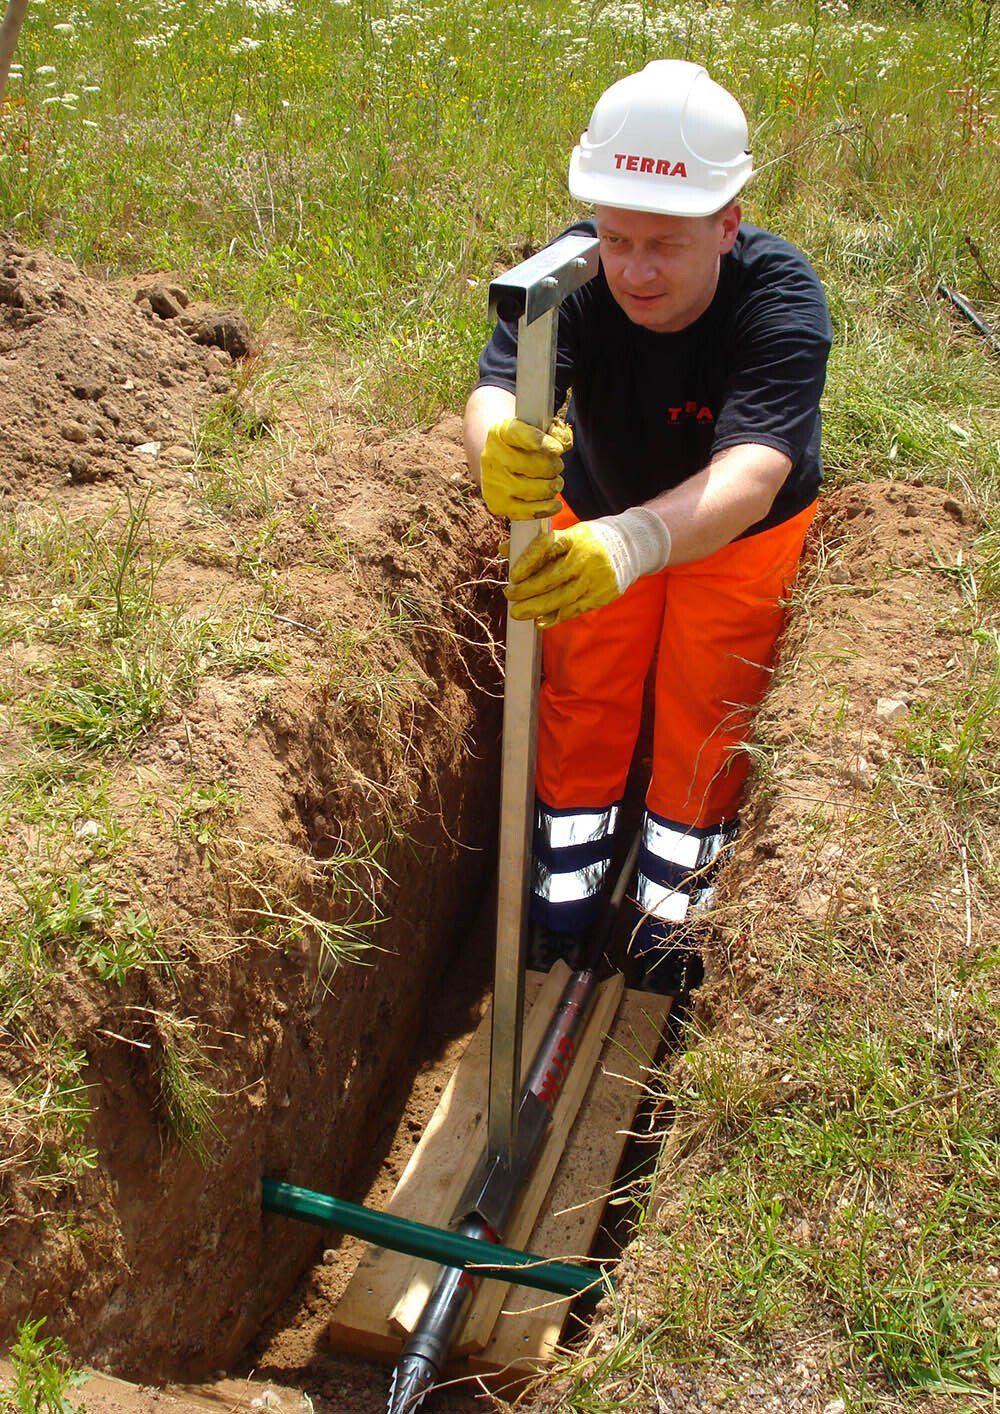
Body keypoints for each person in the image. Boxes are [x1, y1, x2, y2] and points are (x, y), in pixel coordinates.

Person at [463, 60, 832, 993]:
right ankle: (566, 905)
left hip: (735, 539)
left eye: (663, 243)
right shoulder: (579, 270)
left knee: (705, 719)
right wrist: (495, 441)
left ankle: (673, 924)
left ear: (728, 222)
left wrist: (637, 543)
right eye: (615, 237)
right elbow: (501, 380)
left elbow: (755, 472)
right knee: (584, 699)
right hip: (593, 508)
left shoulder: (781, 301)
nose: (631, 269)